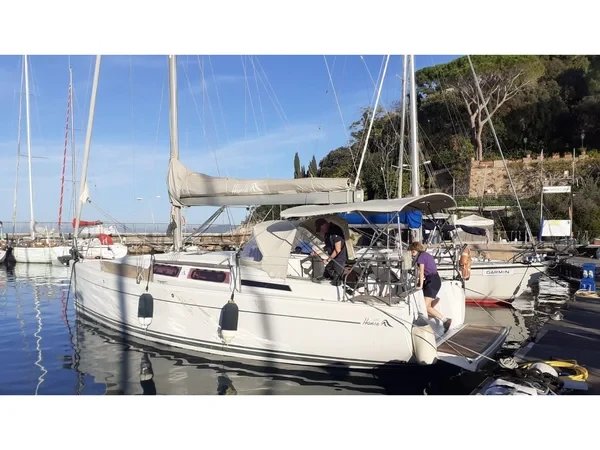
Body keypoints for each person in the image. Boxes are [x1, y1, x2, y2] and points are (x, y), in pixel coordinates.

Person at [408, 241, 452, 332]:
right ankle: (434, 309)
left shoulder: (421, 257)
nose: (412, 254)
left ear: (415, 250)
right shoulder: (426, 255)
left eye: (412, 252)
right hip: (435, 280)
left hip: (432, 281)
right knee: (425, 306)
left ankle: (445, 320)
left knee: (424, 307)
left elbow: (421, 272)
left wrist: (420, 285)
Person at [311, 217, 347, 284]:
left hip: (338, 260)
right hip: (331, 258)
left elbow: (337, 249)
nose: (321, 231)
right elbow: (328, 246)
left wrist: (328, 260)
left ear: (324, 225)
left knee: (336, 280)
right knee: (326, 275)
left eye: (321, 229)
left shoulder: (336, 230)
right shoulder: (327, 233)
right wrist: (317, 252)